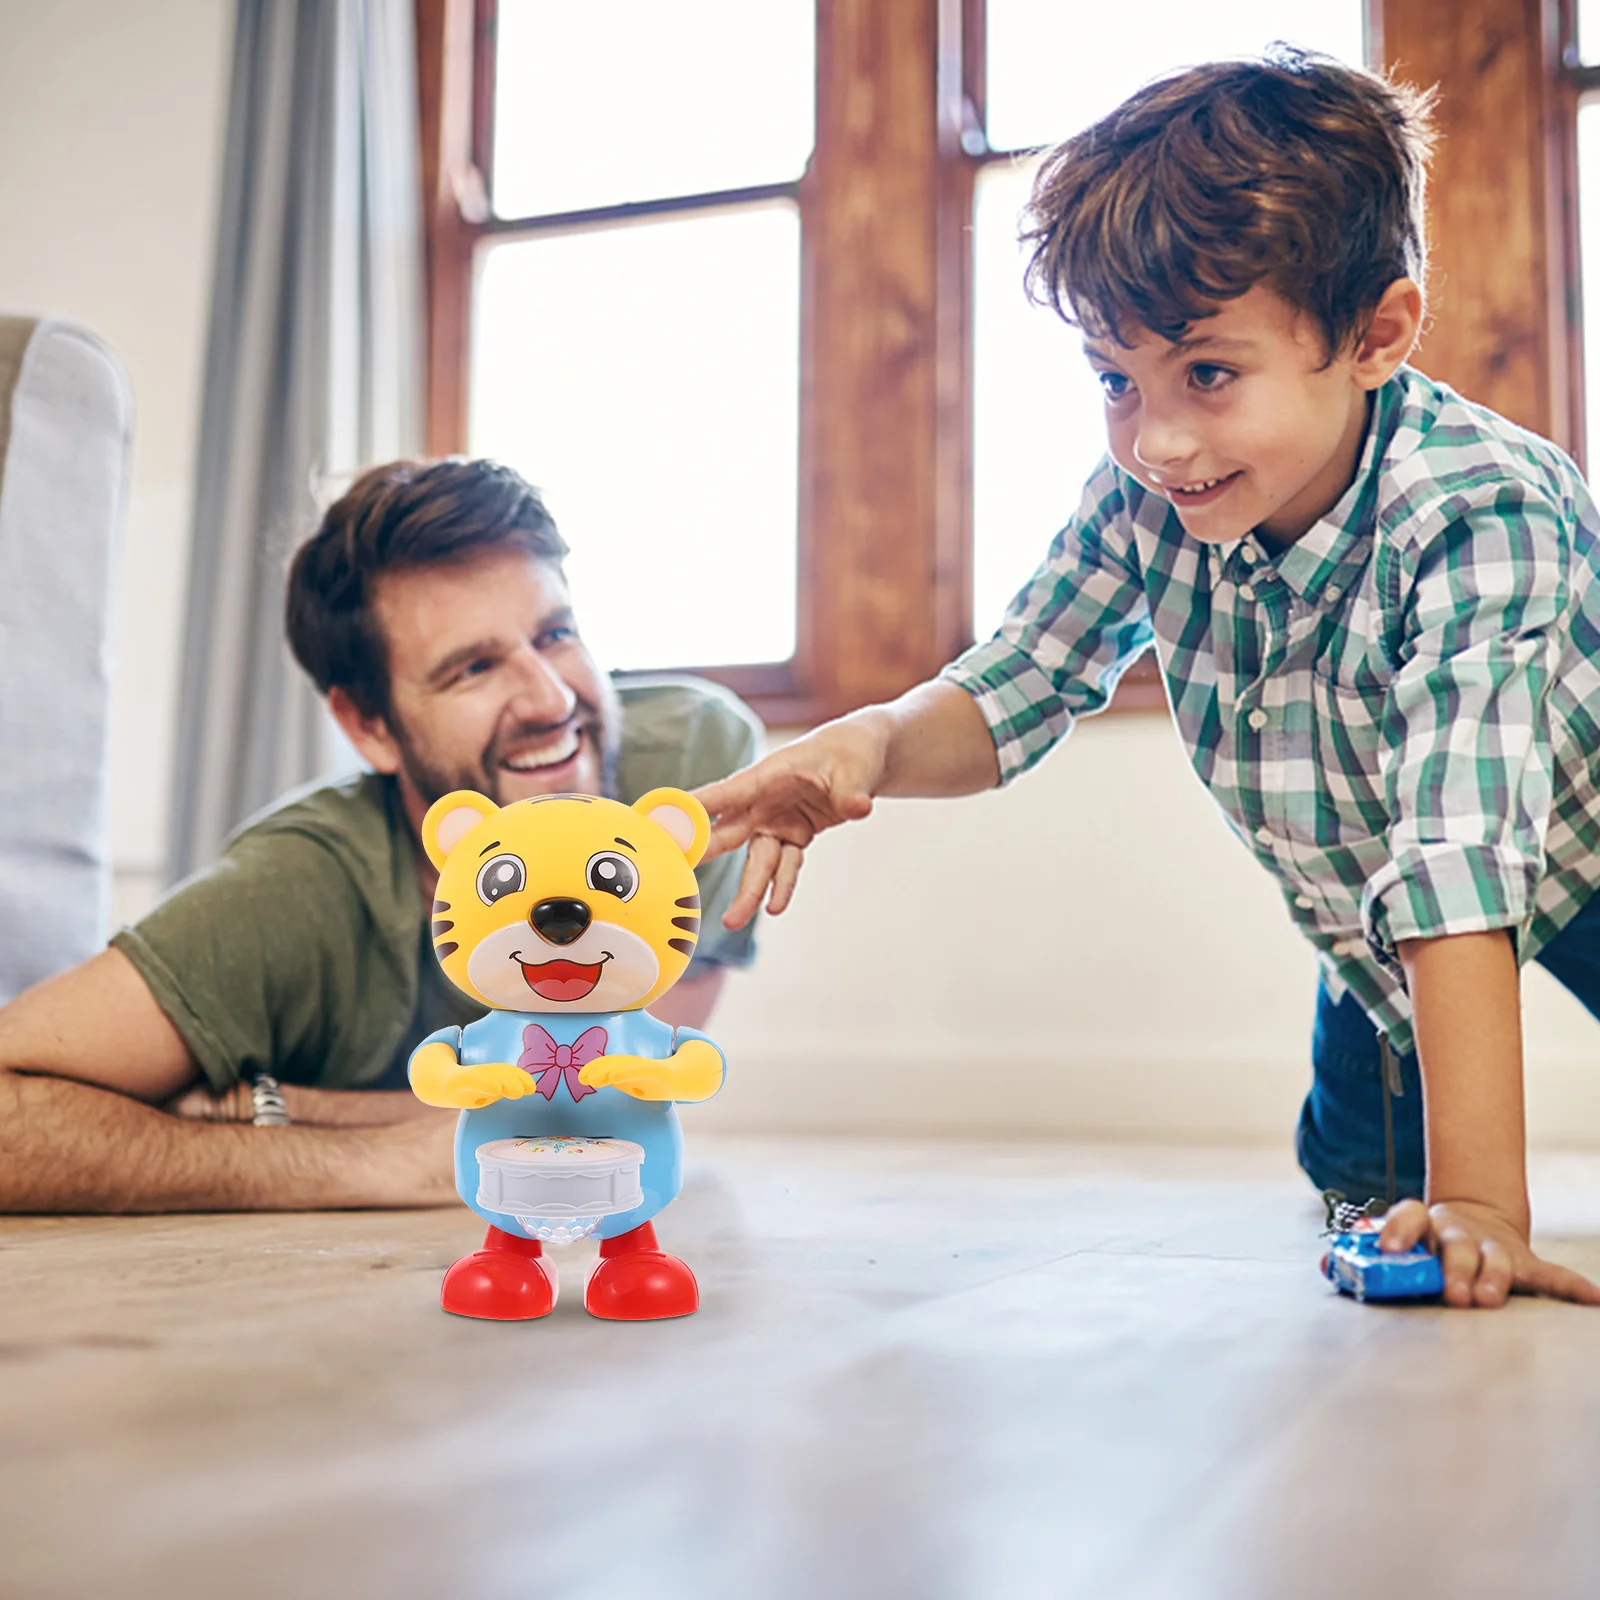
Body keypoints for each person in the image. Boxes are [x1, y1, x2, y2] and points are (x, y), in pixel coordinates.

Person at [698, 50, 1600, 1312]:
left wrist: (1486, 1209)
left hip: (1568, 838)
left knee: (1454, 1198)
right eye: (1115, 380)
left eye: (1208, 375)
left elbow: (1459, 848)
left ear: (1374, 335)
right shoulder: (1146, 500)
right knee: (1354, 1180)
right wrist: (872, 743)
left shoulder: (1478, 511)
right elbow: (1019, 683)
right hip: (1373, 927)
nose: (1156, 439)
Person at [0, 458, 759, 1212]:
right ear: (369, 726)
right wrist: (362, 1165)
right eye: (472, 669)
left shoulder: (693, 771)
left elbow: (614, 1094)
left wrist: (287, 1106)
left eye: (554, 633)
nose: (551, 698)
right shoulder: (289, 894)